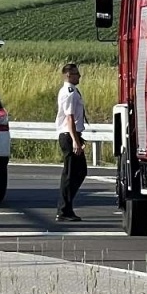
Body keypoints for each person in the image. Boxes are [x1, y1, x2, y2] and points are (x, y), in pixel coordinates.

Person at [55, 61, 87, 222]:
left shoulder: (72, 91)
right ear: (68, 75)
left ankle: (66, 206)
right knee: (71, 173)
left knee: (79, 171)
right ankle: (64, 210)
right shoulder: (69, 92)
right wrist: (75, 140)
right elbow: (69, 118)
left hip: (73, 134)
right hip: (69, 135)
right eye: (76, 73)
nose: (79, 76)